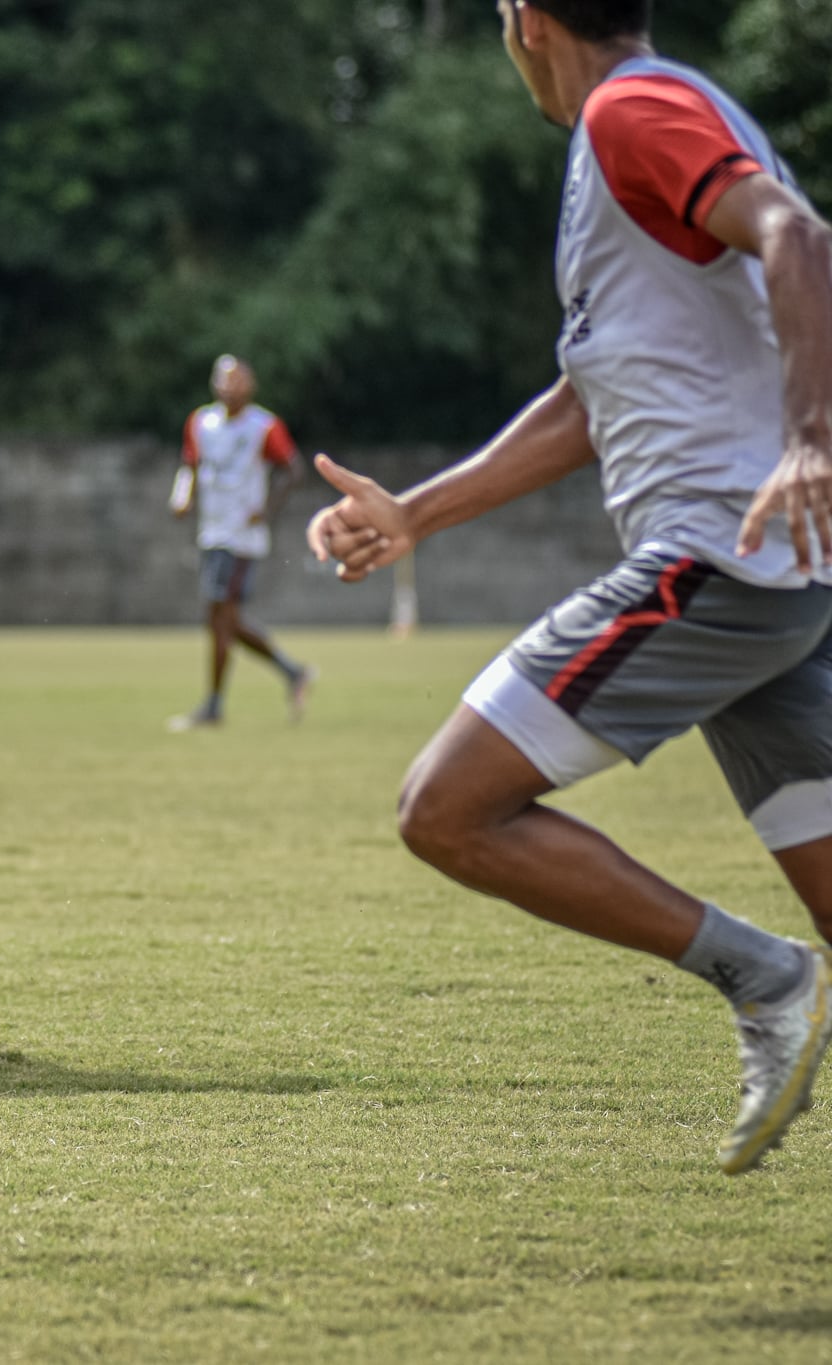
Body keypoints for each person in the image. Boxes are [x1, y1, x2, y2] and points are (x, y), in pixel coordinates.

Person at [307, 0, 832, 1174]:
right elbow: (589, 399)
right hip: (774, 585)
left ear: (523, 19)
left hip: (718, 562)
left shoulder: (628, 109)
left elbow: (800, 239)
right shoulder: (647, 127)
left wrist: (810, 437)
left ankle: (763, 978)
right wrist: (415, 514)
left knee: (444, 808)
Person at [168, 355, 311, 730]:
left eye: (239, 380)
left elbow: (294, 470)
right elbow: (190, 465)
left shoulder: (263, 426)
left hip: (241, 536)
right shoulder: (201, 422)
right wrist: (182, 495)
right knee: (221, 620)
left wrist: (265, 509)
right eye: (225, 380)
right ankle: (292, 672)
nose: (231, 387)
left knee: (220, 618)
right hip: (211, 530)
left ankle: (214, 706)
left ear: (251, 385)